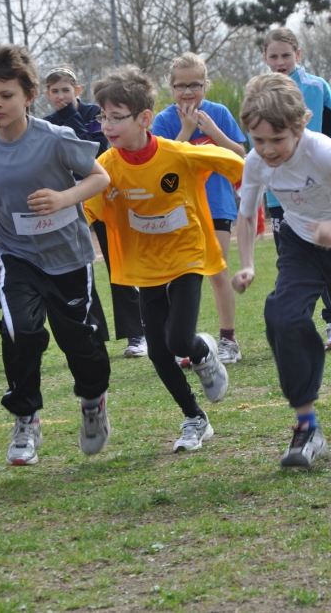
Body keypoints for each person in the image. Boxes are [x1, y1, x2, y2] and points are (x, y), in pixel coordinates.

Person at [0, 43, 111, 466]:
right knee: (21, 332)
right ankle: (26, 417)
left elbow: (99, 178)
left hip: (67, 255)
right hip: (14, 252)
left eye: (5, 95)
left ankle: (91, 401)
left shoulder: (55, 139)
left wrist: (64, 197)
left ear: (28, 96)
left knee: (79, 341)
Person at [84, 66, 244, 452]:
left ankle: (203, 352)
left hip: (188, 256)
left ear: (144, 118)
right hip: (146, 266)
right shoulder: (106, 166)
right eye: (102, 116)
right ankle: (195, 418)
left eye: (115, 116)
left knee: (177, 340)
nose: (106, 124)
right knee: (158, 350)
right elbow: (86, 210)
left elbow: (240, 165)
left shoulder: (179, 154)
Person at [233, 73, 331, 469]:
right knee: (281, 316)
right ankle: (307, 426)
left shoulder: (321, 151)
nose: (268, 149)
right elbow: (245, 215)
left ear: (299, 127)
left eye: (278, 140)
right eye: (259, 140)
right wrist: (247, 264)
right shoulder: (255, 162)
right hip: (299, 245)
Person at [43, 65, 146, 358]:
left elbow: (97, 151)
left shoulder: (93, 115)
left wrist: (70, 117)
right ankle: (94, 334)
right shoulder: (47, 123)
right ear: (47, 94)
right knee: (79, 269)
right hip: (74, 203)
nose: (60, 95)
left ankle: (136, 334)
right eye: (54, 91)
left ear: (77, 90)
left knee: (119, 265)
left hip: (109, 198)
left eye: (66, 89)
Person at [152, 52, 245, 365]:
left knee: (217, 272)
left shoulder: (217, 113)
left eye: (195, 85)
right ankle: (187, 342)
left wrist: (213, 132)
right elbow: (162, 166)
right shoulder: (164, 120)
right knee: (180, 277)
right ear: (171, 87)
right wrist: (186, 131)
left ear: (206, 85)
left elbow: (241, 154)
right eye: (180, 86)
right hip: (179, 207)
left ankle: (228, 339)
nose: (188, 91)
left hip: (216, 204)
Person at [262, 26, 331, 348]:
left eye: (285, 55)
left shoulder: (318, 88)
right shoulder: (260, 93)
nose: (280, 61)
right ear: (265, 58)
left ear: (298, 55)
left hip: (320, 192)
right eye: (273, 56)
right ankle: (297, 324)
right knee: (292, 258)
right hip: (280, 195)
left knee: (326, 250)